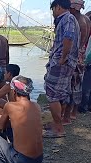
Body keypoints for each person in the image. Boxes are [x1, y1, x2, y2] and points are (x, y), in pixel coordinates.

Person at [0, 76, 43, 163]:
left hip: (22, 161)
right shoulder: (36, 106)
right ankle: (13, 159)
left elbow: (0, 127)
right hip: (38, 160)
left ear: (14, 92)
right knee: (11, 125)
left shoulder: (10, 106)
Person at [43, 0, 80, 138]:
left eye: (53, 9)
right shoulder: (70, 19)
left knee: (52, 94)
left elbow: (68, 38)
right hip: (65, 63)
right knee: (60, 94)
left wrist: (63, 57)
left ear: (58, 7)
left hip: (61, 63)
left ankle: (58, 129)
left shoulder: (67, 18)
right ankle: (56, 124)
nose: (52, 13)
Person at [62, 0, 91, 123]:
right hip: (81, 55)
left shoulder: (76, 21)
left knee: (70, 85)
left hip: (74, 56)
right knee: (78, 84)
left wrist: (64, 57)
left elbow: (71, 42)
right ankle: (73, 112)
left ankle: (67, 115)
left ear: (73, 8)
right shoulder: (86, 19)